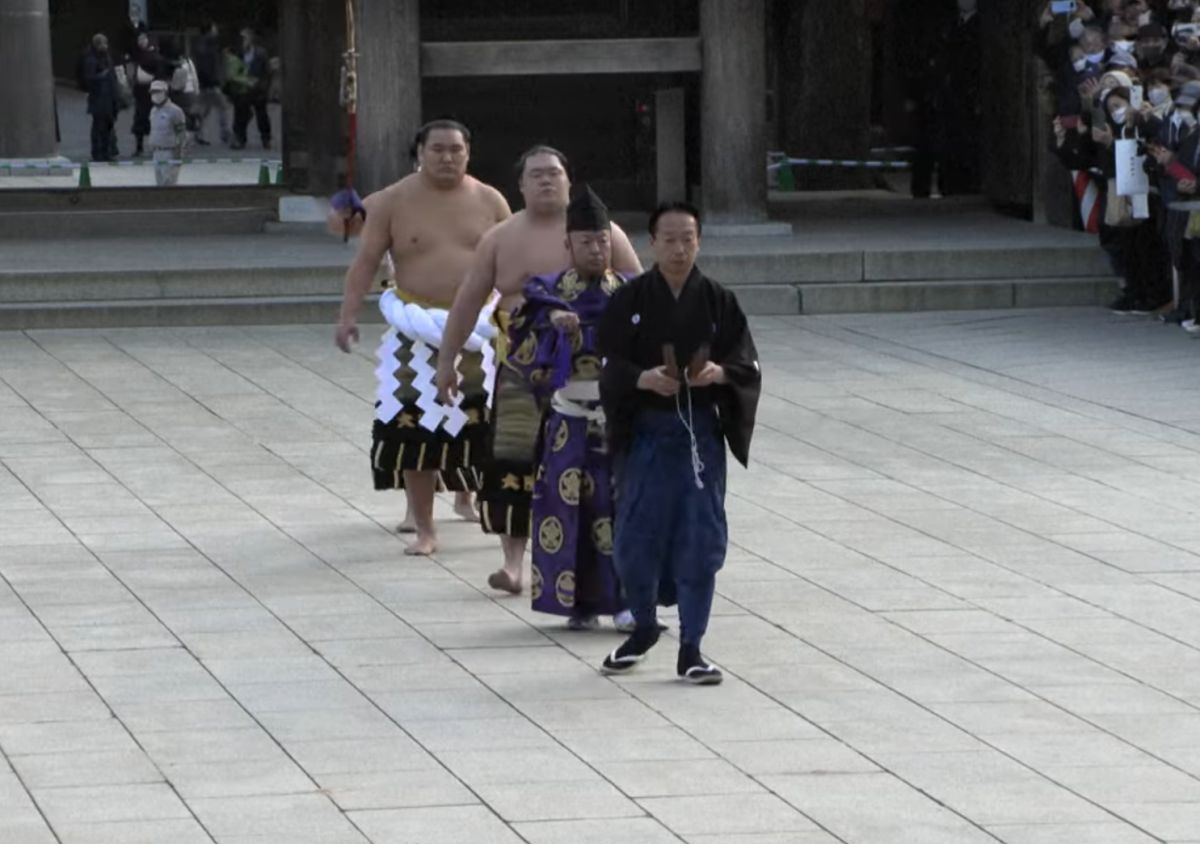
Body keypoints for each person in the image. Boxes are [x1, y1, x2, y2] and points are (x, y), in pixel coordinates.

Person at [435, 146, 642, 596]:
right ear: (521, 186)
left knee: (599, 470)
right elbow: (469, 298)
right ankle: (513, 563)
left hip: (594, 374)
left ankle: (601, 566)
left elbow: (641, 299)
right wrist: (446, 359)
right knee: (514, 461)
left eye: (554, 173)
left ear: (569, 180)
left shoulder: (604, 234)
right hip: (523, 371)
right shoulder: (501, 237)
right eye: (537, 175)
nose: (546, 181)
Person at [596, 201, 762, 686]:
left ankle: (692, 646)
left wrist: (720, 373)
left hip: (698, 440)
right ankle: (643, 625)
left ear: (700, 241)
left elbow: (747, 363)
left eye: (688, 237)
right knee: (634, 539)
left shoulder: (717, 300)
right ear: (652, 243)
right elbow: (606, 363)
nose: (678, 247)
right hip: (646, 433)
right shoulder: (629, 300)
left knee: (699, 538)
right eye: (668, 238)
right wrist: (642, 378)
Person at [335, 119, 511, 556]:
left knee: (481, 423)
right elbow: (365, 261)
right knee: (415, 425)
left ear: (469, 152)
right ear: (420, 153)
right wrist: (347, 315)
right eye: (437, 149)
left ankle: (475, 501)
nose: (447, 157)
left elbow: (516, 261)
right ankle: (425, 527)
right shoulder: (393, 200)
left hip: (480, 326)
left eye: (456, 149)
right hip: (414, 324)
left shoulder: (490, 200)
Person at [504, 186, 635, 632]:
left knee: (621, 509)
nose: (596, 249)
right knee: (568, 508)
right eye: (586, 242)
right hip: (569, 420)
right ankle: (577, 603)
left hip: (620, 419)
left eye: (602, 241)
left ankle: (625, 601)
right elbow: (521, 351)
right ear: (568, 245)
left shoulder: (634, 293)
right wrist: (553, 327)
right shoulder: (547, 294)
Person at [231, 28, 271, 150]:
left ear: (251, 39)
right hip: (243, 89)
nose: (243, 41)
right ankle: (240, 139)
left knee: (262, 115)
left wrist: (263, 86)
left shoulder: (261, 53)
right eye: (241, 38)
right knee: (240, 114)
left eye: (245, 38)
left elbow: (266, 72)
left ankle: (266, 138)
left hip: (258, 88)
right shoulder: (237, 53)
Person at [84, 34, 119, 162]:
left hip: (109, 97)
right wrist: (102, 76)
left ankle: (107, 150)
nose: (104, 46)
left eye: (105, 43)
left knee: (108, 125)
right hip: (98, 98)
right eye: (101, 43)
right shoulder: (91, 60)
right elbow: (89, 78)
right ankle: (98, 152)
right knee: (99, 126)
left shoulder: (107, 58)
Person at [194, 24, 230, 146]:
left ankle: (198, 132)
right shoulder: (210, 45)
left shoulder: (202, 44)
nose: (216, 30)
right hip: (210, 83)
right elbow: (209, 65)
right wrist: (214, 81)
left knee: (205, 109)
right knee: (222, 107)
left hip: (205, 83)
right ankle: (225, 133)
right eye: (214, 28)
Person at [130, 32, 163, 158]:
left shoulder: (154, 56)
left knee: (153, 121)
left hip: (151, 92)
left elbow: (159, 73)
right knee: (140, 120)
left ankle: (154, 147)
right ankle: (139, 147)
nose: (141, 41)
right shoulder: (137, 55)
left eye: (143, 39)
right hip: (141, 93)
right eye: (139, 39)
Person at [148, 80, 187, 187]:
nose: (155, 95)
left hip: (170, 152)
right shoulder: (153, 111)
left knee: (169, 185)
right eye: (152, 92)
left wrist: (178, 154)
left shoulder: (175, 111)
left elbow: (181, 133)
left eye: (157, 92)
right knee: (159, 184)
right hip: (156, 153)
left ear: (165, 92)